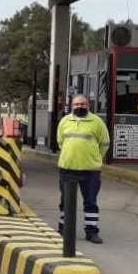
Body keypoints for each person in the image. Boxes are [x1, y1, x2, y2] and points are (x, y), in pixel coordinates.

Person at [56, 94, 110, 244]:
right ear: (72, 106)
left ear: (88, 105)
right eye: (76, 104)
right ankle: (63, 229)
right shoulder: (64, 122)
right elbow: (60, 141)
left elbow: (104, 144)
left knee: (91, 201)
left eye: (83, 104)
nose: (79, 106)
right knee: (65, 201)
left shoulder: (97, 122)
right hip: (67, 168)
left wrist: (94, 157)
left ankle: (92, 232)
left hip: (90, 170)